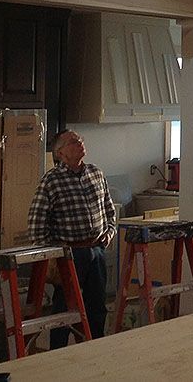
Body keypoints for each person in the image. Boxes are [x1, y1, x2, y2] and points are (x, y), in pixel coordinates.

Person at [27, 129, 116, 346]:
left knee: (97, 306)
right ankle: (59, 354)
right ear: (60, 153)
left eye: (80, 139)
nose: (80, 143)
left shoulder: (96, 173)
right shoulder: (52, 181)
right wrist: (55, 253)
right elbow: (36, 225)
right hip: (70, 254)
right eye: (73, 141)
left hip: (96, 249)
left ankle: (95, 349)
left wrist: (108, 234)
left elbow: (109, 211)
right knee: (65, 308)